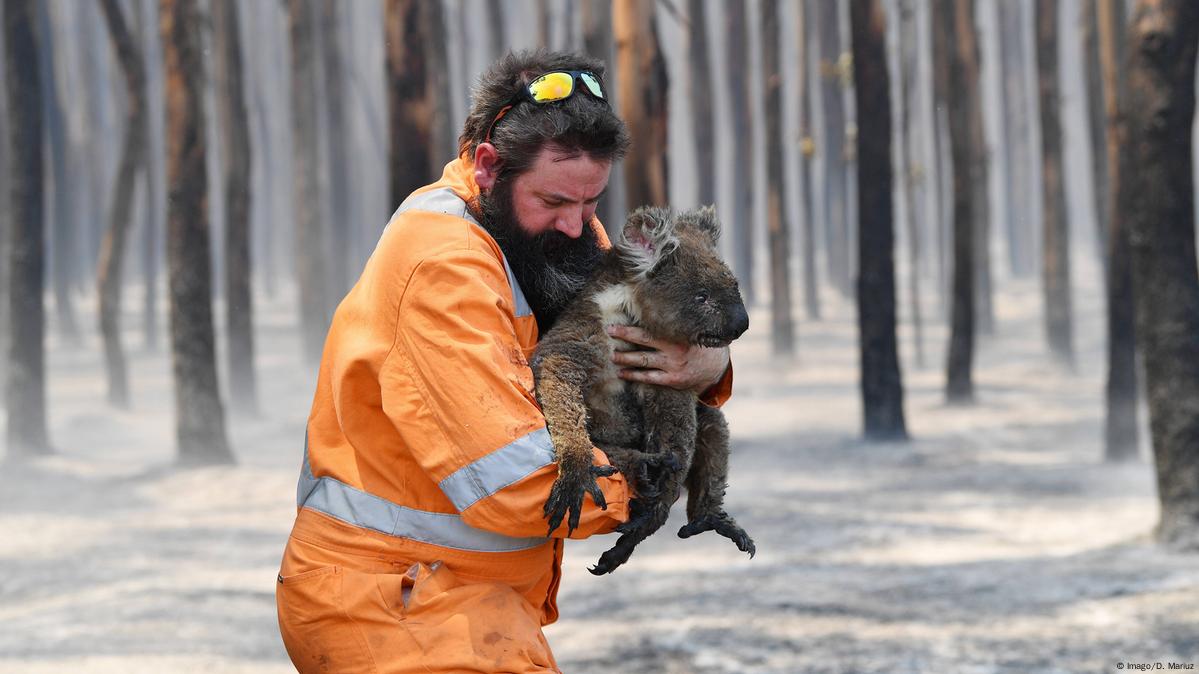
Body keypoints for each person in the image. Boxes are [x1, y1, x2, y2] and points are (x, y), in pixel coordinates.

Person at [275, 50, 733, 673]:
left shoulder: (551, 234)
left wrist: (709, 365)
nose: (578, 226)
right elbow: (515, 482)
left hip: (467, 600)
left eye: (592, 203)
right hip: (392, 604)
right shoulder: (442, 265)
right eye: (555, 201)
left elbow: (648, 338)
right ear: (489, 167)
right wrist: (653, 482)